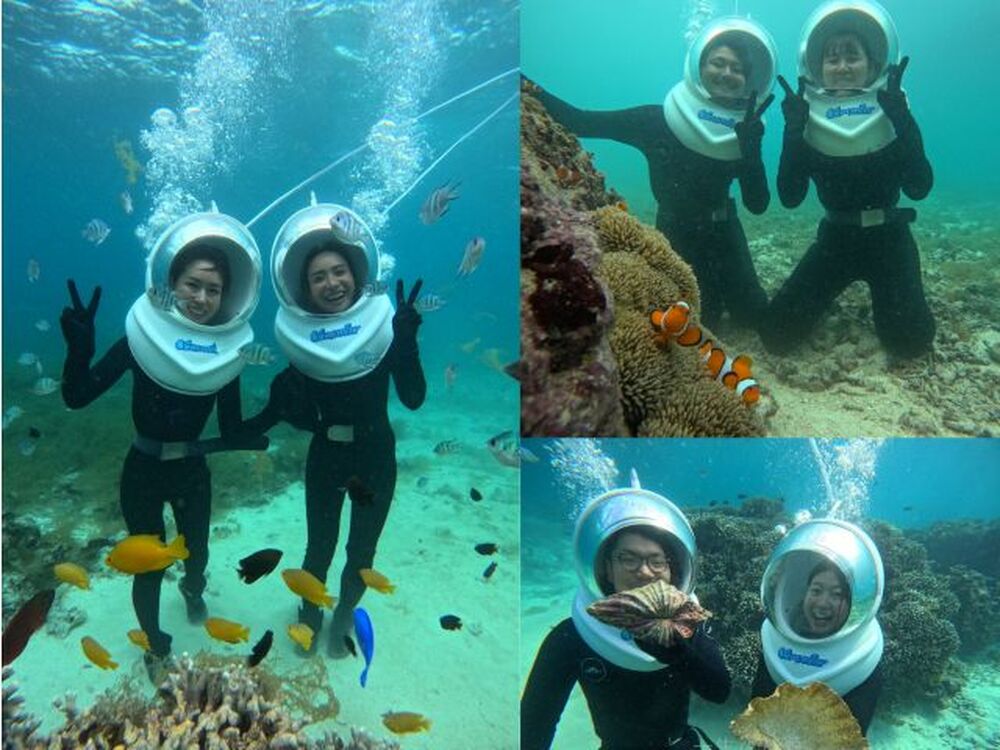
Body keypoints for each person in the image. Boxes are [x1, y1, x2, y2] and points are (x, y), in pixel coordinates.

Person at [60, 212, 266, 680]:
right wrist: (79, 349)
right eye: (192, 285)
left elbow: (232, 427)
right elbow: (77, 396)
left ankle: (193, 590)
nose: (202, 298)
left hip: (192, 472)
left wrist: (276, 409)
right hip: (143, 470)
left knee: (197, 553)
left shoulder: (225, 354)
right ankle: (155, 646)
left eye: (214, 290)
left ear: (226, 297)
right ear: (171, 284)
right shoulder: (142, 340)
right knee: (148, 566)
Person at [243, 201, 426, 657]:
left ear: (357, 273)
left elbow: (413, 397)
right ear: (304, 289)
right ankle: (310, 614)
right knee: (319, 548)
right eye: (318, 277)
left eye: (339, 271)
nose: (332, 283)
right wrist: (248, 416)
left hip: (376, 455)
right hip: (326, 457)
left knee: (362, 551)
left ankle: (343, 614)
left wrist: (406, 340)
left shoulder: (382, 331)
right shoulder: (302, 344)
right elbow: (273, 416)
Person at [525, 17, 779, 330]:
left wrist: (751, 149)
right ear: (699, 66)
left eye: (737, 69)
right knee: (699, 322)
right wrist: (523, 84)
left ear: (747, 80)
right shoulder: (656, 121)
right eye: (718, 63)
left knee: (753, 316)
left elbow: (758, 204)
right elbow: (580, 121)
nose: (727, 73)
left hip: (725, 230)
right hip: (676, 233)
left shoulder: (743, 130)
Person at [761, 0, 934, 358]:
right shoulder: (807, 119)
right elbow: (790, 196)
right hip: (836, 240)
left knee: (911, 341)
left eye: (852, 56)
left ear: (873, 64)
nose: (841, 66)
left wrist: (902, 119)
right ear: (818, 68)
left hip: (890, 240)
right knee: (775, 334)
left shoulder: (892, 110)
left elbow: (919, 187)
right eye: (832, 58)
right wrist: (793, 132)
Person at [521, 475, 730, 749]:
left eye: (657, 561)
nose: (644, 572)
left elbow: (719, 690)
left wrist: (677, 652)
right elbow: (536, 723)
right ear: (606, 568)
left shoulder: (688, 623)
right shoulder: (571, 636)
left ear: (672, 570)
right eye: (628, 559)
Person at [753, 519, 884, 735]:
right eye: (816, 590)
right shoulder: (775, 639)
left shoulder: (862, 656)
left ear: (851, 602)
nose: (823, 603)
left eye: (837, 594)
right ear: (804, 594)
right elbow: (759, 721)